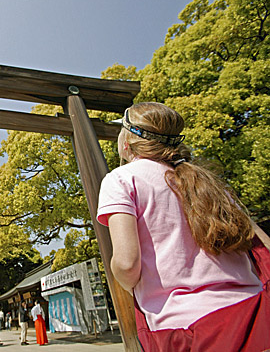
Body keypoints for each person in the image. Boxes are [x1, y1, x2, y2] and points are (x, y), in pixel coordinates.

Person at [97, 102, 269, 352]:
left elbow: (126, 263)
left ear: (127, 142)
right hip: (254, 311)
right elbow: (261, 243)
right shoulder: (205, 181)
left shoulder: (122, 179)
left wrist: (125, 281)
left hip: (188, 326)